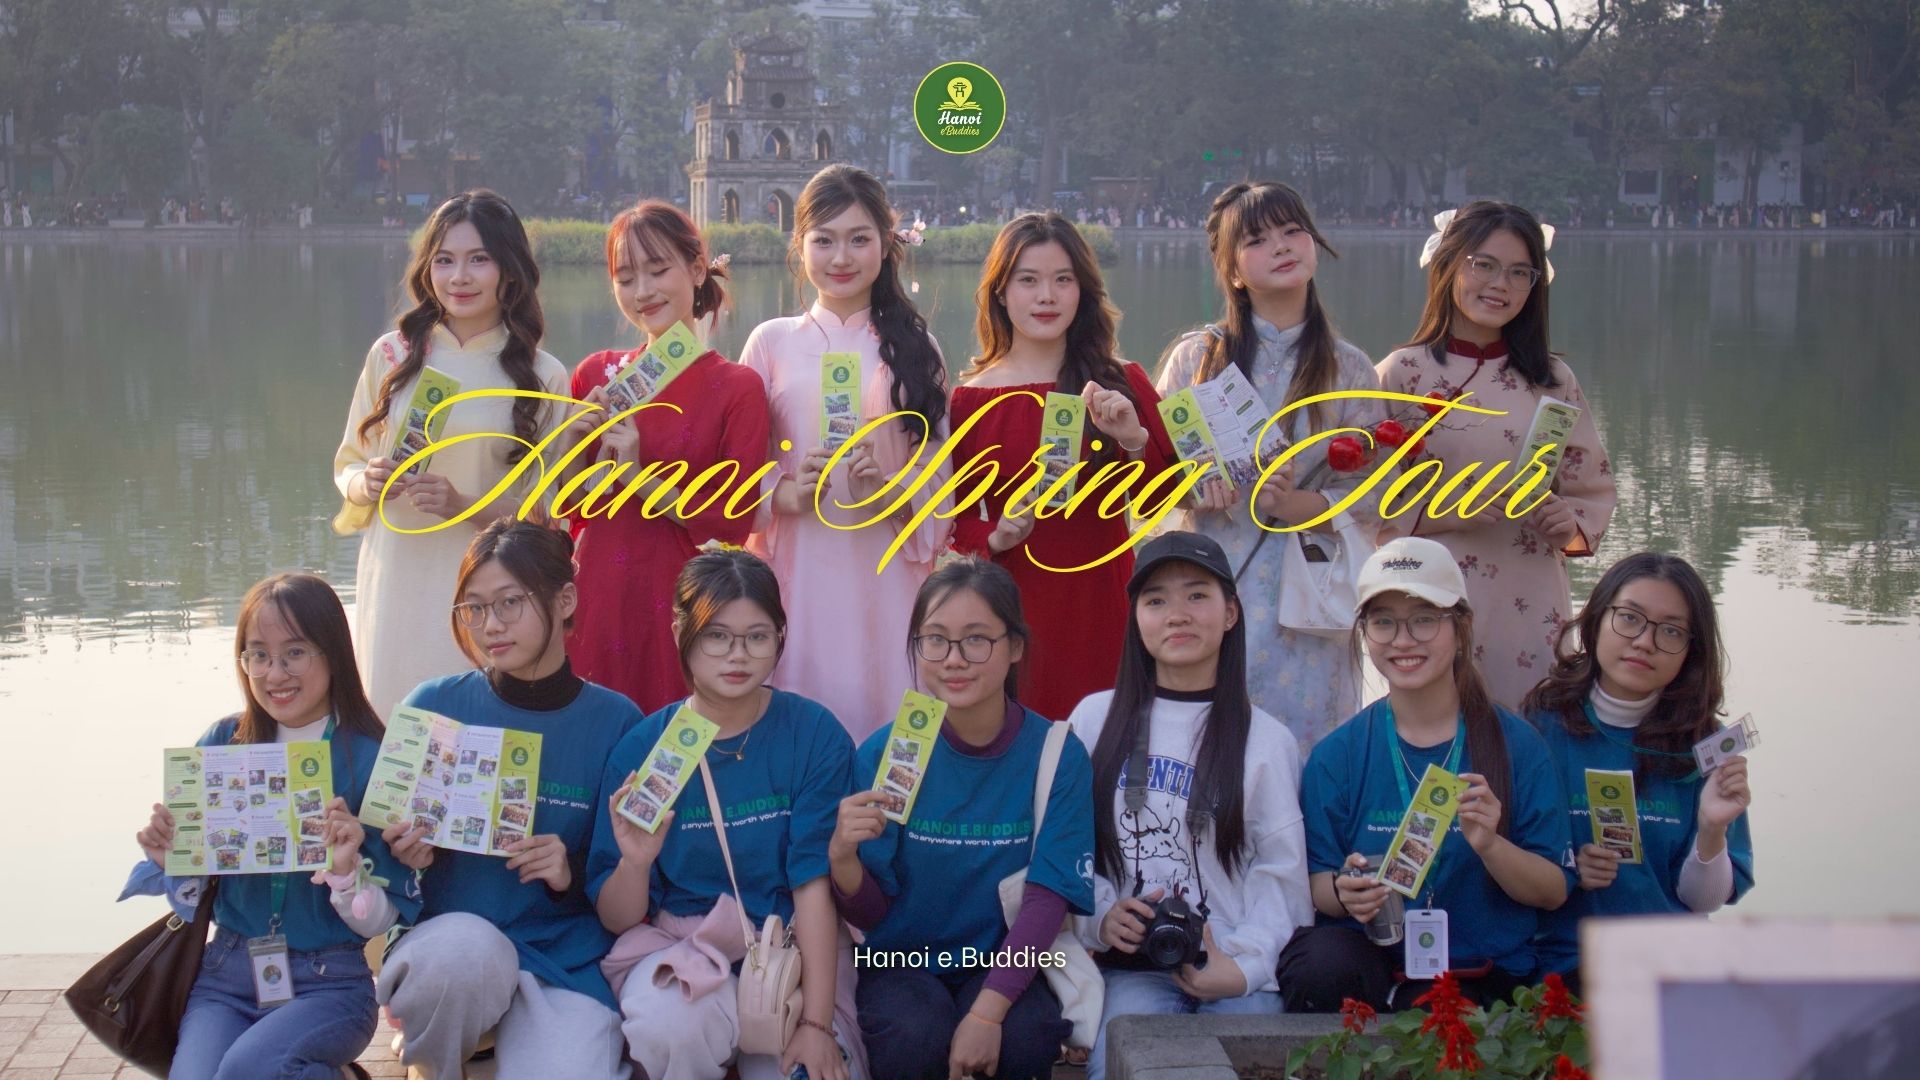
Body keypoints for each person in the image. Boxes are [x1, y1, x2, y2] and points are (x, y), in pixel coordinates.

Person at [123, 573, 419, 1080]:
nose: (275, 673)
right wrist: (173, 859)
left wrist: (346, 871)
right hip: (227, 974)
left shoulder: (373, 758)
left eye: (295, 652)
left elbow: (383, 921)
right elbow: (194, 898)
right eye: (257, 654)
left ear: (333, 654)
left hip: (330, 984)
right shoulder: (221, 743)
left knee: (248, 1069)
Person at [376, 520, 642, 1078]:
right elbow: (373, 874)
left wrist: (569, 869)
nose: (490, 626)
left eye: (509, 604)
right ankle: (435, 1059)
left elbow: (630, 877)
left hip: (564, 957)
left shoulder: (618, 722)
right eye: (473, 609)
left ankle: (502, 1041)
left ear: (564, 598)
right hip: (451, 947)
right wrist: (403, 855)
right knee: (466, 952)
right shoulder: (433, 707)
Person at [589, 548, 858, 1080]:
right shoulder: (644, 750)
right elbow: (618, 918)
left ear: (780, 637)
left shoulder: (814, 733)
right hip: (684, 951)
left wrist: (816, 1024)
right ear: (680, 632)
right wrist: (636, 863)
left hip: (790, 956)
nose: (738, 656)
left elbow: (813, 884)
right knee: (669, 1027)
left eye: (757, 636)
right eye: (716, 636)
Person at [1276, 537, 1573, 1011]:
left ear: (1461, 627)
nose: (1403, 640)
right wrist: (1345, 892)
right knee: (1317, 965)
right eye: (1383, 622)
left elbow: (1553, 891)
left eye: (1424, 619)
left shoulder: (1518, 746)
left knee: (1446, 1014)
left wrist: (1491, 845)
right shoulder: (1338, 754)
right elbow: (1316, 883)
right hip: (1373, 958)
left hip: (1476, 969)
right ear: (1364, 632)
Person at [832, 557, 1095, 1080]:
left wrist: (987, 1011)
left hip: (1010, 960)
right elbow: (872, 912)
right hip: (899, 962)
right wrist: (842, 857)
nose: (954, 659)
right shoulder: (891, 751)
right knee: (913, 1036)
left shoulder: (1056, 753)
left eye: (977, 639)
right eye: (935, 639)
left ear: (1015, 646)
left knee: (1025, 1035)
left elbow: (1047, 896)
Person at [1068, 533, 1312, 1080]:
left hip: (1234, 965)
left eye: (1196, 595)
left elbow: (1281, 876)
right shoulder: (1093, 720)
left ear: (1231, 613)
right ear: (1135, 618)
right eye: (1156, 600)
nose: (1176, 615)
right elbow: (1067, 847)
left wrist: (1243, 969)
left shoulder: (1268, 740)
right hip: (1131, 972)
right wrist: (1103, 916)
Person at [1154, 181, 1385, 749]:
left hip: (1310, 594)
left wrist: (1300, 504)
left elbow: (1378, 494)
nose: (1281, 246)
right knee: (1206, 749)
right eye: (1257, 239)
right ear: (1232, 269)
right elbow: (1155, 474)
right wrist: (1195, 487)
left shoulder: (1350, 369)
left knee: (1307, 749)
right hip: (1212, 581)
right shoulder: (1196, 359)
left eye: (1292, 231)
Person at [332, 190, 570, 717]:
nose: (459, 277)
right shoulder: (392, 356)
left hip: (490, 591)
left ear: (509, 270)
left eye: (477, 259)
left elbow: (547, 512)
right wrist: (365, 482)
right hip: (396, 574)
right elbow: (347, 463)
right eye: (444, 260)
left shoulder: (544, 376)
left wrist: (462, 503)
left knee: (473, 745)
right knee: (394, 727)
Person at [1375, 202, 1616, 710]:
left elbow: (1588, 488)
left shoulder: (1553, 381)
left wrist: (1564, 522)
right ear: (1448, 266)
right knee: (1437, 737)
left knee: (1528, 733)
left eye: (1518, 273)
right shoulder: (1402, 376)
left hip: (1530, 594)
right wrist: (1439, 509)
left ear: (1536, 285)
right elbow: (1362, 496)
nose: (1499, 284)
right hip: (1427, 595)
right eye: (1482, 264)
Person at [743, 164, 952, 741]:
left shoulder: (915, 346)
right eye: (824, 239)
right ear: (799, 244)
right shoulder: (771, 342)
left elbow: (942, 482)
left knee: (886, 718)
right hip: (798, 565)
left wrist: (887, 492)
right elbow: (732, 471)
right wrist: (786, 491)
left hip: (885, 566)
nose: (842, 256)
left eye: (860, 239)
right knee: (799, 728)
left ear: (886, 245)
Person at [948, 212, 1176, 719]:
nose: (1046, 296)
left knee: (1104, 746)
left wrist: (1134, 440)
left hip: (1103, 597)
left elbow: (1163, 499)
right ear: (1001, 293)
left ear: (1083, 291)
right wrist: (994, 536)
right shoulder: (967, 400)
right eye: (1028, 280)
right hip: (1013, 601)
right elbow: (952, 521)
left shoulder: (1122, 382)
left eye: (1062, 280)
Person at [564, 199, 770, 713]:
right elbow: (570, 510)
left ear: (697, 269)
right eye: (626, 277)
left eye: (658, 271)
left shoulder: (736, 387)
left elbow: (732, 524)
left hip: (686, 597)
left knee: (679, 752)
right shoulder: (596, 377)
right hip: (598, 591)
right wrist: (570, 441)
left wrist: (640, 479)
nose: (643, 292)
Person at [1523, 553, 1754, 991]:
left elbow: (1703, 900)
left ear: (1692, 651)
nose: (1644, 642)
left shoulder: (1706, 743)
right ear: (1596, 618)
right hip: (1568, 956)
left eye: (1670, 631)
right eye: (1630, 618)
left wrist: (1711, 830)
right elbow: (1508, 855)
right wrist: (1568, 868)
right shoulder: (1541, 725)